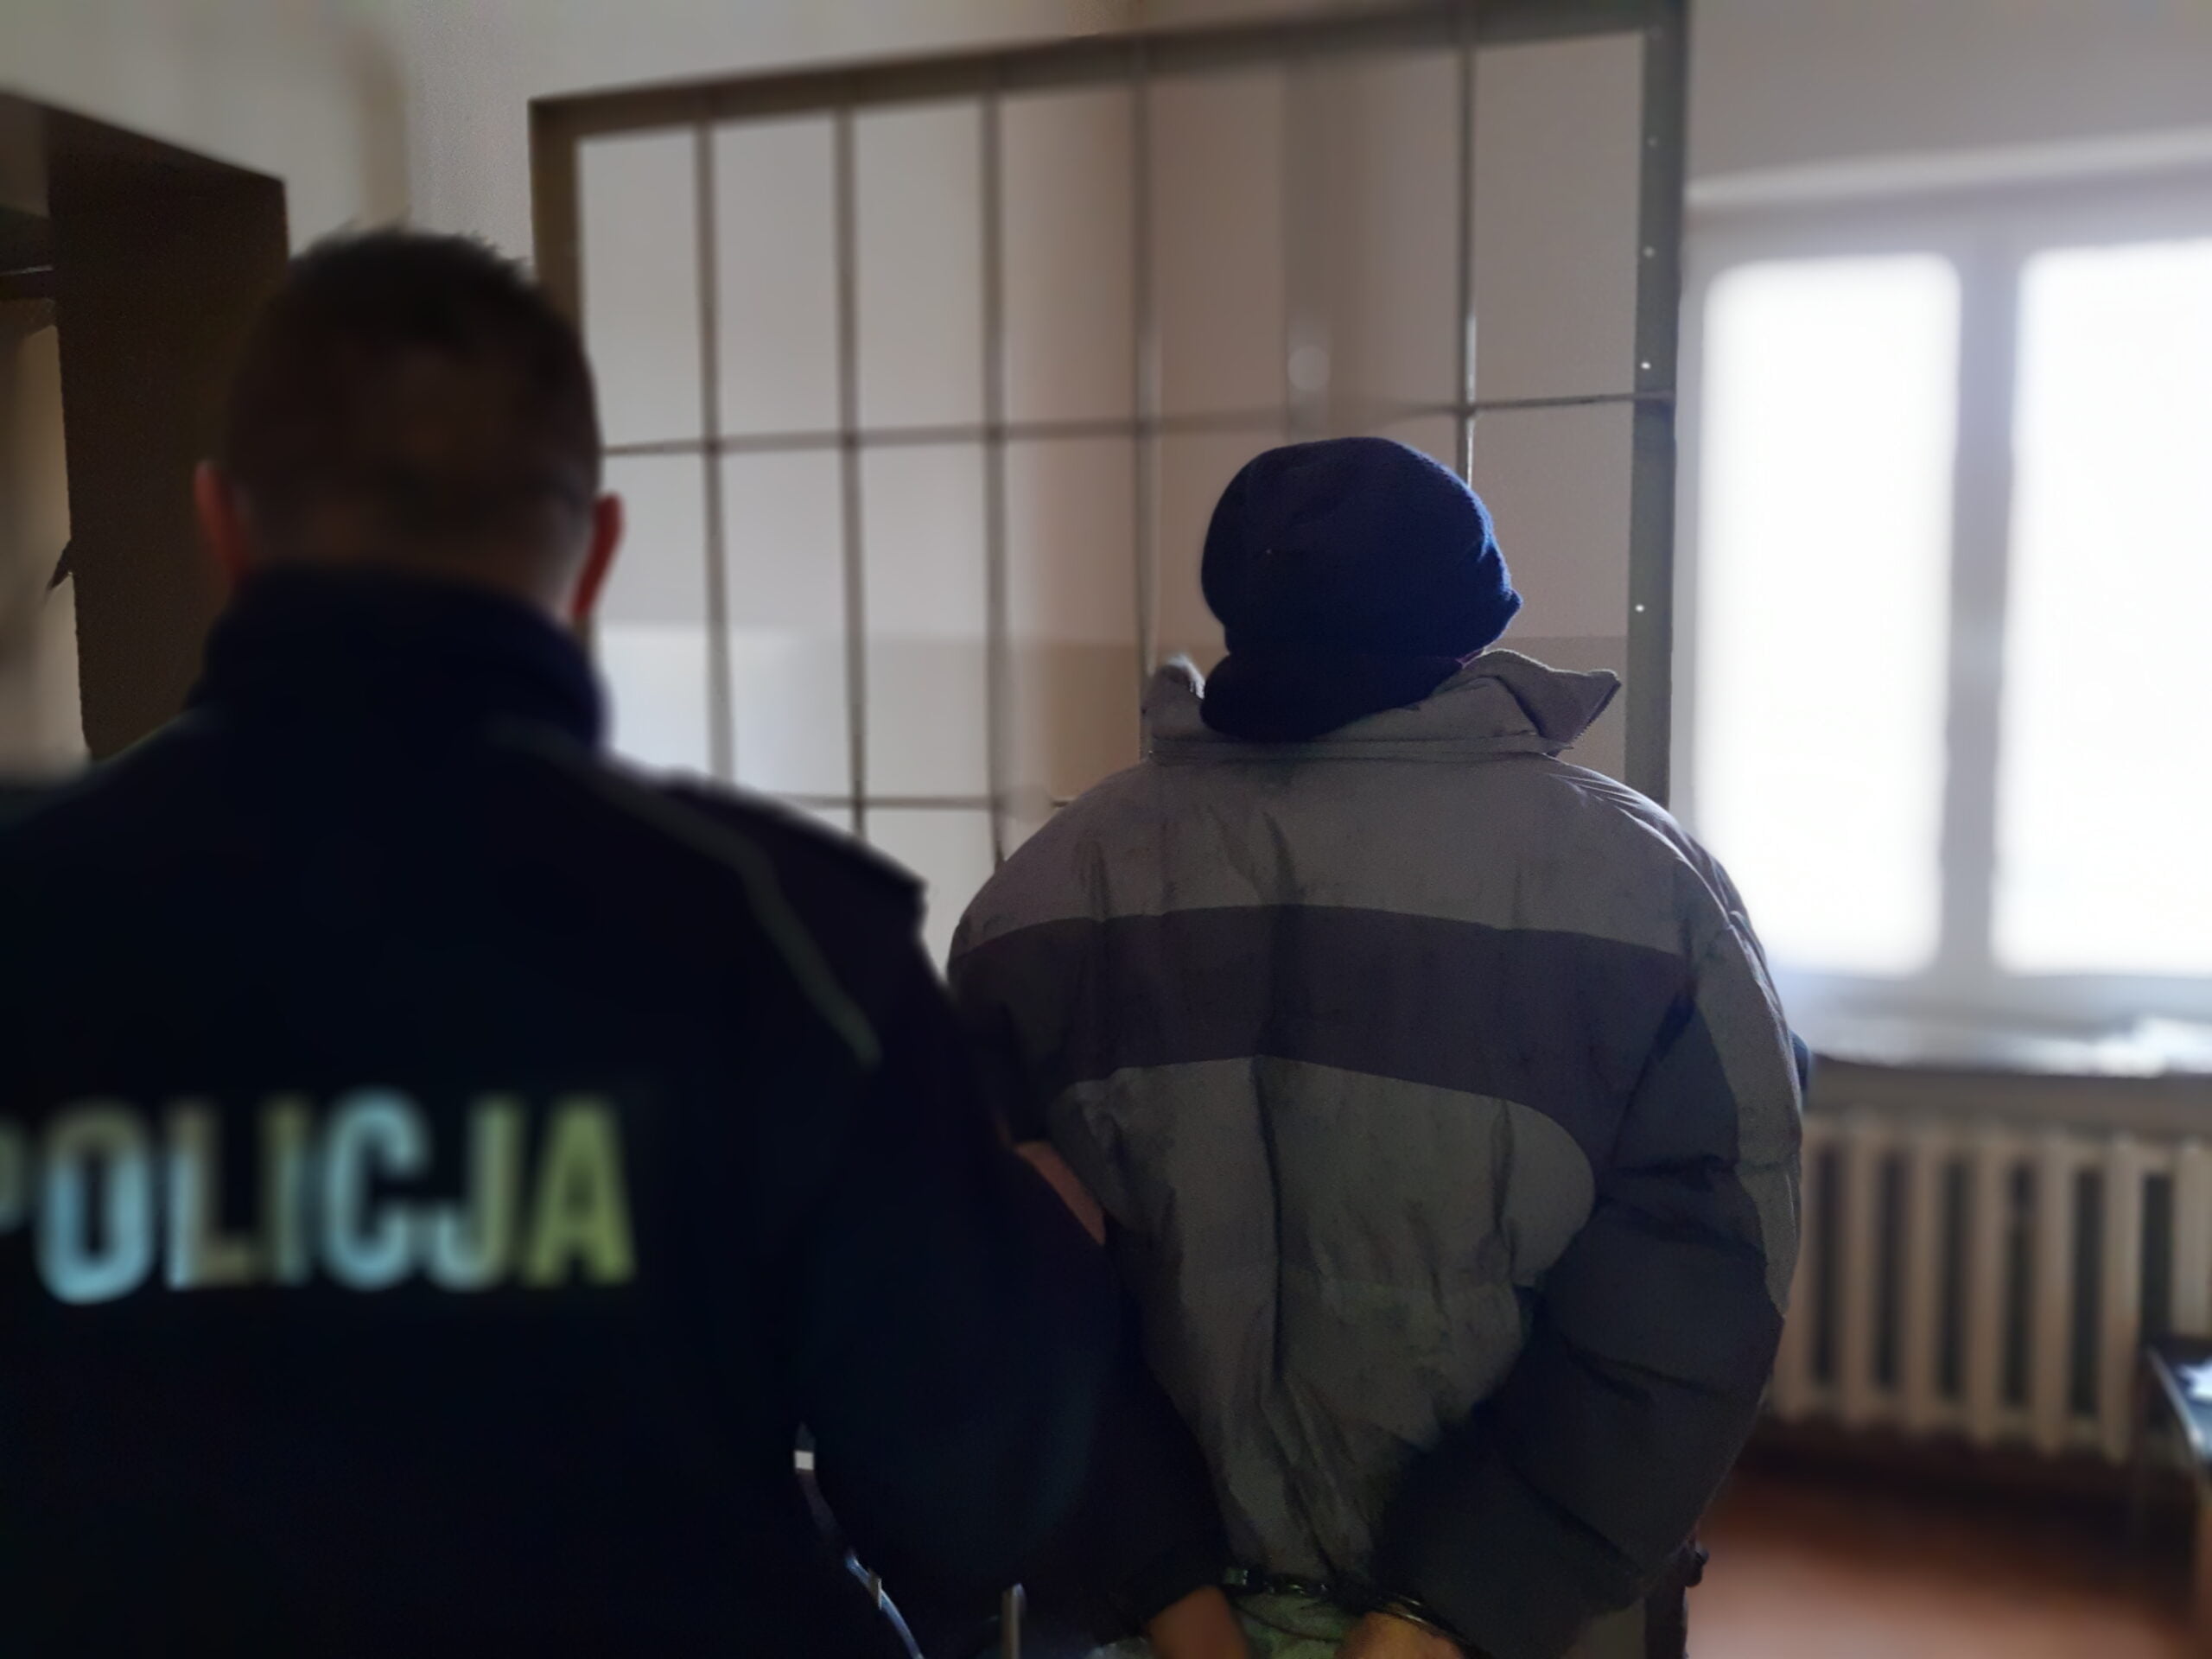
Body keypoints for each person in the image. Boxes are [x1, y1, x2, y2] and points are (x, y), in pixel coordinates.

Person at [0, 230, 1118, 1657]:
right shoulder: (781, 939)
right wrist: (1038, 1243)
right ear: (593, 552)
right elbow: (972, 1493)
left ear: (223, 530)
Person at [950, 437, 1803, 1659]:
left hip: (1144, 1620)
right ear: (1473, 623)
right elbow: (1693, 1295)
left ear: (1239, 610)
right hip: (1497, 1622)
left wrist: (1173, 1598)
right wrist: (1445, 1612)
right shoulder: (1651, 896)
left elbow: (992, 1290)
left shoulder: (1038, 897)